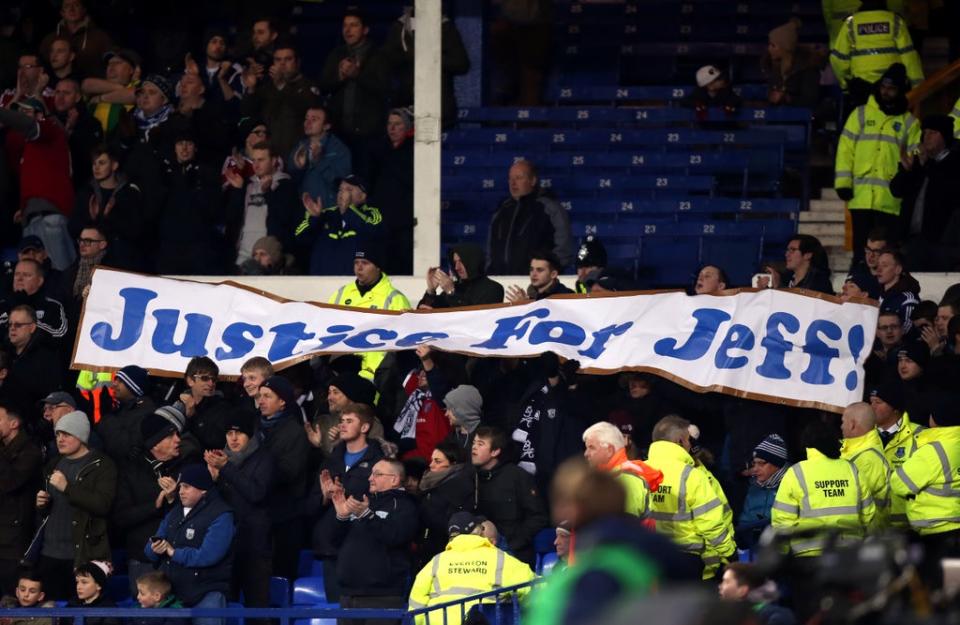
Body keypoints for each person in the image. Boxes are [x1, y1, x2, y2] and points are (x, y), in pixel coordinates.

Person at [835, 63, 920, 265]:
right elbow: (845, 149)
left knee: (886, 255)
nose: (886, 91)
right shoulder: (861, 114)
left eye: (891, 88)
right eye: (884, 86)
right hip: (861, 196)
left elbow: (915, 157)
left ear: (900, 91)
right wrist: (843, 183)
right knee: (860, 253)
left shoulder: (910, 122)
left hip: (890, 200)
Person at [35, 411, 117, 600]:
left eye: (66, 434)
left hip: (83, 554)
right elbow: (51, 510)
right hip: (50, 553)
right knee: (52, 614)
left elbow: (102, 504)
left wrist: (67, 487)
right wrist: (41, 504)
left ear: (80, 436)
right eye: (57, 434)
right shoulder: (53, 464)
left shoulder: (102, 465)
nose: (60, 439)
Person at [326, 458, 418, 624]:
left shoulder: (405, 505)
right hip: (349, 594)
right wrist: (341, 516)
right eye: (371, 473)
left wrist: (368, 516)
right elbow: (333, 542)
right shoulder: (363, 503)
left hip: (383, 596)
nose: (370, 478)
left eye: (377, 474)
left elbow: (395, 536)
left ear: (394, 479)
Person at [311, 402, 386, 602]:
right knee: (336, 611)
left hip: (363, 546)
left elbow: (383, 500)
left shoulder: (379, 461)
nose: (343, 425)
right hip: (332, 545)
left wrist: (346, 496)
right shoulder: (330, 460)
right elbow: (310, 504)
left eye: (349, 421)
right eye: (342, 421)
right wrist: (326, 497)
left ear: (364, 427)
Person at [646, 415, 736, 579]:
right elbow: (710, 522)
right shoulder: (691, 475)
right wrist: (729, 553)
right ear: (680, 441)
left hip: (650, 557)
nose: (690, 445)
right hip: (689, 560)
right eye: (688, 440)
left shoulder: (639, 471)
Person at [204, 412, 276, 616]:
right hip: (226, 547)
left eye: (239, 433)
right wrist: (214, 480)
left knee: (258, 609)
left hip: (255, 547)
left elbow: (256, 493)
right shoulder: (221, 462)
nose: (233, 438)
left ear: (250, 435)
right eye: (229, 433)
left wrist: (226, 468)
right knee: (227, 608)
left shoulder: (264, 459)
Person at [145, 464, 235, 625]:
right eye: (180, 487)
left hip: (206, 593)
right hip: (172, 593)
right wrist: (154, 550)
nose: (180, 491)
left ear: (203, 490)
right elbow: (151, 545)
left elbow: (208, 556)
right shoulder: (175, 513)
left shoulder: (222, 515)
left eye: (186, 487)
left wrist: (174, 553)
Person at [112, 408, 189, 596]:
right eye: (170, 436)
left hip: (178, 557)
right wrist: (155, 506)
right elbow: (120, 517)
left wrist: (173, 499)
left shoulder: (185, 467)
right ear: (155, 443)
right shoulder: (131, 470)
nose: (178, 440)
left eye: (177, 434)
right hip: (142, 559)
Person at [408, 511, 534, 625]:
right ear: (478, 531)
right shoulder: (499, 558)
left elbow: (416, 605)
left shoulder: (436, 561)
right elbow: (535, 588)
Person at [771, 421, 874, 556]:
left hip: (808, 555)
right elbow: (868, 514)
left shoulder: (797, 472)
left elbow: (782, 519)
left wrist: (782, 553)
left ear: (806, 443)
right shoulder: (851, 469)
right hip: (849, 552)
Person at [890, 392, 960, 589]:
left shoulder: (934, 451)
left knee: (936, 591)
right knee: (954, 592)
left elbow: (899, 483)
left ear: (936, 419)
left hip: (936, 536)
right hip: (955, 534)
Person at [253, 376, 309, 581]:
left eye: (267, 396)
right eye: (260, 396)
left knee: (280, 576)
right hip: (259, 516)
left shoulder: (294, 432)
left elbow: (290, 471)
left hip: (285, 517)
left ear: (282, 401)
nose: (261, 401)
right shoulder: (255, 427)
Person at [890, 114, 960, 270]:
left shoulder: (955, 161)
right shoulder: (920, 163)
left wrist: (925, 165)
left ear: (945, 137)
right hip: (913, 241)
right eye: (925, 132)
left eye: (933, 132)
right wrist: (910, 170)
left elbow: (949, 191)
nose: (926, 137)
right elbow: (896, 190)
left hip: (943, 243)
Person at [471, 426, 549, 567]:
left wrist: (514, 543)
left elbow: (538, 516)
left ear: (495, 451)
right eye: (474, 443)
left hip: (513, 553)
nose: (474, 448)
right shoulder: (469, 477)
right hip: (477, 554)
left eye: (480, 444)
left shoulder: (517, 476)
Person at [328, 249, 411, 380]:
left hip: (378, 376)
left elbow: (404, 343)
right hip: (341, 373)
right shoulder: (341, 293)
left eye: (365, 263)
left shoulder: (395, 298)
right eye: (356, 263)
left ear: (378, 267)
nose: (359, 267)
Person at [382, 8, 471, 127]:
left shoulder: (445, 26)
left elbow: (461, 64)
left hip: (438, 110)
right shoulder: (399, 27)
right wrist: (409, 56)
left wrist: (432, 58)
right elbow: (386, 62)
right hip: (406, 109)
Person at [830, 0, 923, 109]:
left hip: (862, 88)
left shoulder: (851, 23)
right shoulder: (895, 21)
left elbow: (838, 59)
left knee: (862, 122)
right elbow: (909, 56)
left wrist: (845, 84)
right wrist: (918, 85)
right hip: (891, 87)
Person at [487, 160, 573, 274]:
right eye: (510, 178)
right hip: (502, 282)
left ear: (533, 181)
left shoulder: (550, 208)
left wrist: (547, 272)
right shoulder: (502, 211)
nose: (513, 183)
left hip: (538, 284)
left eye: (518, 178)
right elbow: (490, 251)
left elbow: (563, 248)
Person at [319, 9, 389, 148]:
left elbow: (385, 89)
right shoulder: (337, 53)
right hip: (339, 132)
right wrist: (339, 77)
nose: (348, 30)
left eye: (354, 25)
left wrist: (357, 75)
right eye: (345, 25)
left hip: (368, 133)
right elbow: (323, 86)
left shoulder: (379, 55)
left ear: (365, 30)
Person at [224, 141, 300, 269]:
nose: (256, 165)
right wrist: (238, 190)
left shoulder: (286, 185)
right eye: (254, 160)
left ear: (274, 160)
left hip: (267, 258)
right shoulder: (247, 184)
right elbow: (231, 218)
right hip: (242, 256)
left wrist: (268, 192)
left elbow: (284, 218)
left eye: (261, 160)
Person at [241, 41, 321, 158]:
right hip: (270, 158)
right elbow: (247, 114)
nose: (282, 64)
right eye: (278, 60)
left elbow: (307, 110)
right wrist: (251, 89)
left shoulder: (309, 86)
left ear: (298, 62)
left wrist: (281, 85)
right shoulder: (267, 86)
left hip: (297, 156)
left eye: (288, 59)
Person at [71, 144, 144, 271]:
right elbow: (72, 227)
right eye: (94, 164)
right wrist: (91, 221)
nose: (96, 167)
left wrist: (109, 218)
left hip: (123, 263)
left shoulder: (129, 194)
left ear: (114, 166)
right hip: (90, 264)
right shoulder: (86, 193)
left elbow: (136, 231)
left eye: (102, 163)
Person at [297, 175, 382, 276]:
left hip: (353, 285)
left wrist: (348, 211)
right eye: (340, 189)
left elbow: (375, 233)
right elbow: (299, 239)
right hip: (320, 284)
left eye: (349, 190)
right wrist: (315, 218)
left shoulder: (372, 214)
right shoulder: (324, 214)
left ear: (363, 196)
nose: (343, 193)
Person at [366, 108, 415, 275]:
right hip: (381, 216)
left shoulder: (414, 151)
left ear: (407, 127)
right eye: (389, 124)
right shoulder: (378, 149)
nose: (392, 128)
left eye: (397, 124)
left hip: (402, 219)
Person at [0, 404, 42, 595]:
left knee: (10, 595)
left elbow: (10, 482)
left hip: (15, 538)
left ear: (14, 423)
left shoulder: (30, 451)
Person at [582, 422, 662, 520]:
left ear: (609, 450)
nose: (586, 453)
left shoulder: (627, 481)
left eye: (592, 448)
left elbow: (623, 530)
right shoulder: (604, 477)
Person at [416, 441, 476, 565]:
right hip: (428, 549)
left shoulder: (460, 487)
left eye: (438, 461)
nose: (431, 465)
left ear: (453, 464)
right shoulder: (432, 484)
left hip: (447, 554)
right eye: (431, 460)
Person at [288, 105, 352, 212]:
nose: (307, 123)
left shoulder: (339, 149)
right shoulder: (300, 146)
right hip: (304, 210)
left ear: (326, 126)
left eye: (314, 119)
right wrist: (298, 167)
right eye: (306, 118)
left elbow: (341, 183)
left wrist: (319, 161)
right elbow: (292, 180)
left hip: (329, 210)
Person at [840, 402, 892, 530]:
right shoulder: (859, 452)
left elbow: (850, 500)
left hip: (867, 536)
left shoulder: (867, 459)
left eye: (843, 422)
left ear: (852, 425)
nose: (841, 426)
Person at [5, 306, 63, 418]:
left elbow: (50, 395)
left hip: (31, 422)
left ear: (32, 328)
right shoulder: (4, 354)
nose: (12, 328)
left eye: (18, 325)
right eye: (10, 324)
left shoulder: (46, 358)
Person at [735, 434, 789, 550]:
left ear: (777, 463)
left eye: (761, 463)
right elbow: (745, 521)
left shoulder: (791, 484)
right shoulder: (753, 486)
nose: (755, 469)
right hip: (754, 551)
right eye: (755, 463)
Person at [51, 77, 103, 191]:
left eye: (66, 93)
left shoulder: (91, 123)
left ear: (78, 97)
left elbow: (87, 160)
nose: (60, 97)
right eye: (57, 92)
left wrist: (71, 131)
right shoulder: (48, 120)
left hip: (80, 189)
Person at [0, 260, 68, 347]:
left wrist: (25, 318)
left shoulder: (52, 305)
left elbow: (59, 334)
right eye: (17, 274)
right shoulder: (4, 305)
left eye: (26, 275)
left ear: (40, 281)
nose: (19, 279)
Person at [40, 0, 113, 78]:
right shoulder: (51, 38)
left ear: (83, 10)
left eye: (76, 5)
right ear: (62, 13)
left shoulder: (99, 36)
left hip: (93, 84)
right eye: (67, 6)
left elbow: (112, 57)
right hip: (58, 86)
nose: (72, 9)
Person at [420, 244, 504, 308]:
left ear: (473, 261)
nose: (457, 267)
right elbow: (423, 311)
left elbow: (475, 318)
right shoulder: (455, 287)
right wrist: (431, 291)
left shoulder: (494, 289)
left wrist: (451, 292)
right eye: (455, 262)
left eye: (461, 261)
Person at [763, 19, 821, 109]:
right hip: (777, 117)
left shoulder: (808, 67)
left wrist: (787, 98)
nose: (769, 49)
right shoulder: (774, 66)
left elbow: (810, 99)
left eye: (773, 45)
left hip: (800, 119)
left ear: (784, 48)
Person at [718, 563, 796, 625]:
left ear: (742, 591)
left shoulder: (777, 617)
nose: (720, 586)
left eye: (726, 582)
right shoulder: (721, 617)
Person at [762, 235, 833, 294]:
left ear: (807, 255)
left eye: (792, 250)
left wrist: (779, 287)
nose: (787, 254)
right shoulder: (785, 279)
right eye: (787, 250)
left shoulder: (820, 283)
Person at [876, 250, 920, 331]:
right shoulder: (877, 295)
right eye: (878, 265)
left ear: (898, 269)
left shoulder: (908, 298)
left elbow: (907, 329)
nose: (878, 270)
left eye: (884, 265)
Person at [505, 252, 574, 303]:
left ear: (553, 274)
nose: (533, 274)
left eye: (539, 270)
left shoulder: (567, 296)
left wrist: (525, 305)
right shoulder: (529, 296)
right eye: (531, 269)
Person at [68, 561, 118, 625]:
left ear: (98, 586)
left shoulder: (110, 609)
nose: (78, 587)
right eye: (77, 582)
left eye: (84, 582)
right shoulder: (71, 605)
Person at [442, 384, 483, 453]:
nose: (446, 414)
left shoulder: (485, 438)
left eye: (450, 409)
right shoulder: (450, 439)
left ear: (463, 410)